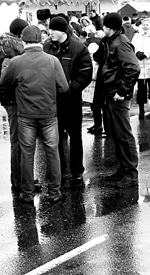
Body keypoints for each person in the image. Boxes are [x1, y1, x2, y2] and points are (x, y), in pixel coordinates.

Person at [1, 25, 68, 204]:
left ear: (23, 41)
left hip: (25, 116)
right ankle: (55, 192)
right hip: (48, 114)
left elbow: (4, 82)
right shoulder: (53, 61)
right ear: (41, 40)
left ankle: (28, 193)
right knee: (52, 152)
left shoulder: (16, 62)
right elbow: (64, 87)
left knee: (27, 154)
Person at [43, 15, 92, 187]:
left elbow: (85, 73)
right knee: (55, 138)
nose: (50, 33)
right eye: (50, 29)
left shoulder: (79, 48)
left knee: (75, 136)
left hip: (72, 100)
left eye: (54, 29)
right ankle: (60, 171)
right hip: (53, 101)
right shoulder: (46, 47)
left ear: (63, 30)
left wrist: (70, 88)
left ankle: (77, 171)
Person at [93, 12, 140, 187]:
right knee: (117, 134)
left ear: (109, 27)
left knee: (123, 134)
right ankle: (123, 168)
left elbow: (133, 68)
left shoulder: (120, 43)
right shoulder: (111, 41)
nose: (101, 28)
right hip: (110, 92)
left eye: (103, 25)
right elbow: (102, 60)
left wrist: (123, 91)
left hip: (117, 94)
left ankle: (130, 173)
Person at [0, 18, 27, 192]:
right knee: (17, 141)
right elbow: (6, 79)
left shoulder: (9, 47)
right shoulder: (10, 50)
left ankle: (22, 178)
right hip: (13, 100)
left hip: (12, 99)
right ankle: (18, 180)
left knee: (20, 140)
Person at [131, 17, 150, 118]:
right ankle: (141, 110)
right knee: (141, 89)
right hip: (140, 65)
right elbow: (133, 46)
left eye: (147, 25)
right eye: (144, 24)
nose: (145, 26)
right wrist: (137, 53)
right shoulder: (137, 35)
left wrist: (147, 54)